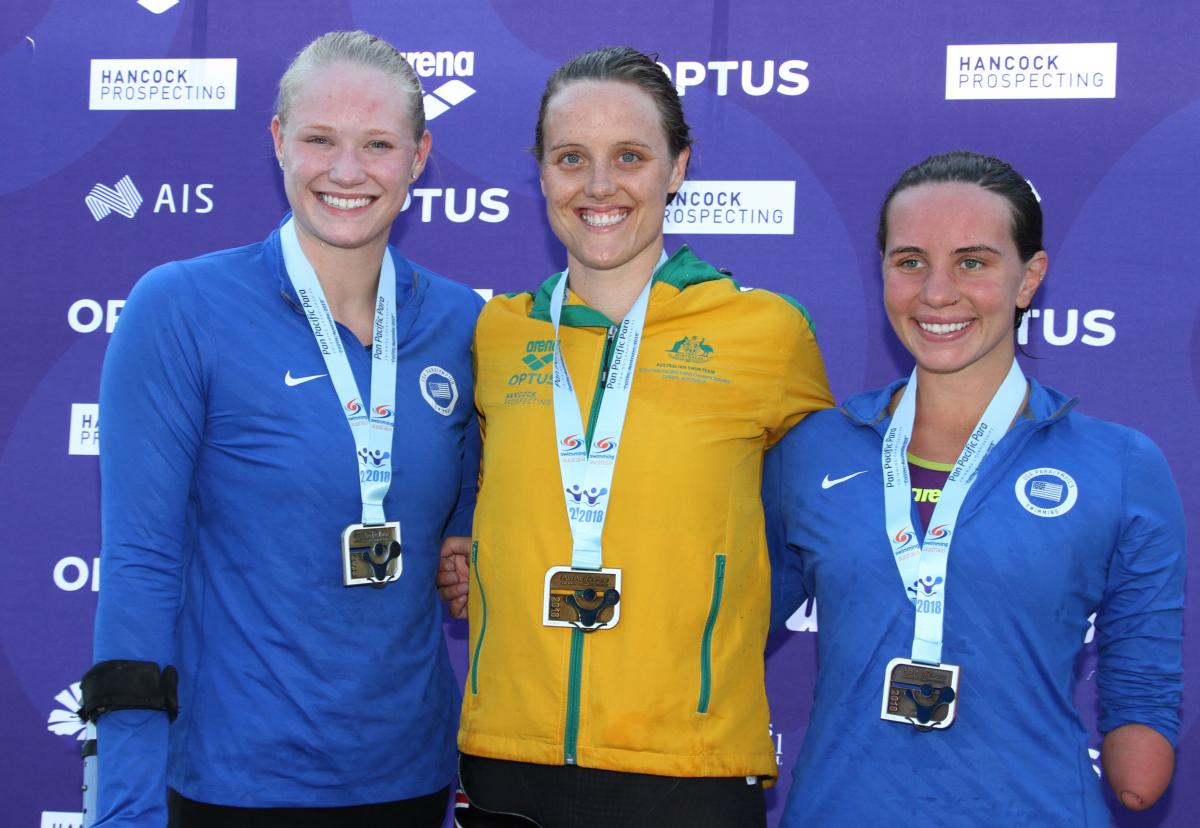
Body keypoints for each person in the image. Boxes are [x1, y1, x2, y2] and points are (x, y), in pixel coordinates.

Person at [82, 31, 482, 827]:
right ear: (277, 142)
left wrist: (471, 549)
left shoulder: (466, 324)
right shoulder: (179, 309)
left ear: (419, 156)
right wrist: (126, 804)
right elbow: (140, 561)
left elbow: (470, 526)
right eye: (319, 140)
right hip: (234, 780)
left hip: (409, 776)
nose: (347, 171)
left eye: (378, 144)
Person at [438, 46, 833, 827]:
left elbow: (815, 526)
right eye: (570, 158)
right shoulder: (500, 332)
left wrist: (708, 627)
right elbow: (470, 482)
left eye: (630, 157)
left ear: (677, 167)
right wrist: (467, 546)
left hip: (690, 765)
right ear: (541, 173)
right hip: (507, 758)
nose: (598, 186)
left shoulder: (766, 333)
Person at [765, 150, 1185, 825]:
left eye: (973, 262)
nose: (937, 292)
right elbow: (727, 633)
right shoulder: (811, 449)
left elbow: (1143, 691)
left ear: (1030, 278)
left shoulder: (1122, 465)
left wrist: (1140, 725)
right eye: (909, 262)